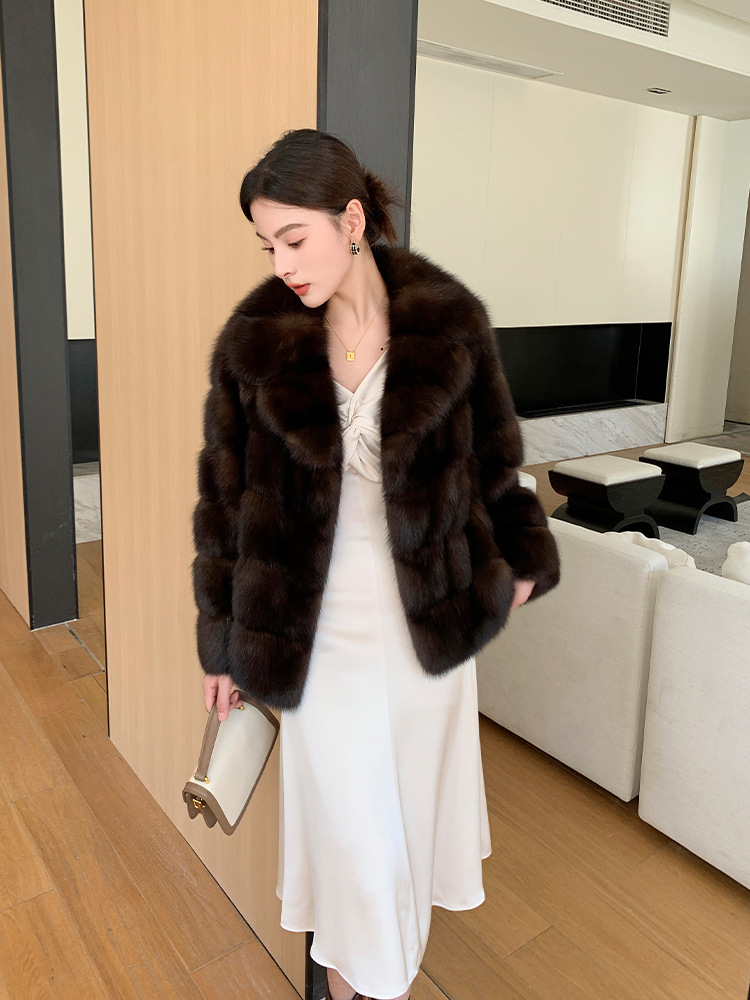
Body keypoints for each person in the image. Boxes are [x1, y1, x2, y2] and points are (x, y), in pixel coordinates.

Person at [192, 128, 560, 1000]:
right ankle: (363, 984)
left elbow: (496, 466)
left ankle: (358, 974)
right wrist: (221, 642)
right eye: (268, 246)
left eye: (295, 238)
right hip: (314, 632)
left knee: (404, 829)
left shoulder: (450, 324)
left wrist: (522, 561)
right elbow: (224, 505)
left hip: (425, 628)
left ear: (352, 220)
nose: (283, 263)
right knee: (354, 835)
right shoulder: (254, 345)